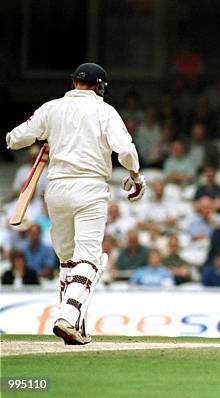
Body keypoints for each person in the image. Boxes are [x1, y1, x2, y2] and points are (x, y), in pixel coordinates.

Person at [5, 62, 146, 345]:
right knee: (90, 259)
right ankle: (67, 316)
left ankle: (75, 325)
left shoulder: (51, 108)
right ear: (101, 87)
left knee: (69, 260)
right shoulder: (105, 111)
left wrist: (47, 137)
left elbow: (14, 139)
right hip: (90, 188)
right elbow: (126, 151)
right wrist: (135, 175)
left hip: (55, 189)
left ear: (73, 83)